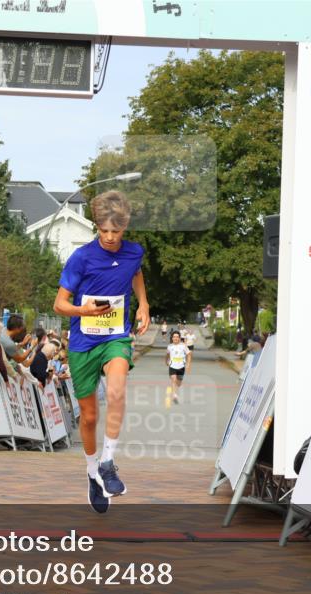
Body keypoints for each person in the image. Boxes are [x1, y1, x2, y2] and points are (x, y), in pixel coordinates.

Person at [53, 190, 149, 513]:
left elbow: (135, 274)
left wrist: (144, 304)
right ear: (97, 226)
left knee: (118, 389)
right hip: (83, 342)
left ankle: (108, 461)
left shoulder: (134, 253)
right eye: (104, 230)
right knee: (89, 416)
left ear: (125, 228)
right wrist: (85, 311)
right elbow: (59, 303)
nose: (109, 237)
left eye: (116, 232)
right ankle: (93, 473)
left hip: (115, 338)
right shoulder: (81, 258)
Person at [165, 330, 192, 406]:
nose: (175, 338)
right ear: (172, 338)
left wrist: (188, 364)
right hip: (172, 365)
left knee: (179, 383)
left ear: (179, 338)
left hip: (181, 366)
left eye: (177, 337)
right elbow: (167, 354)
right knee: (173, 379)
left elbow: (189, 354)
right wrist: (166, 361)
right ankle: (174, 395)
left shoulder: (183, 346)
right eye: (174, 337)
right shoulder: (170, 346)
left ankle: (175, 391)